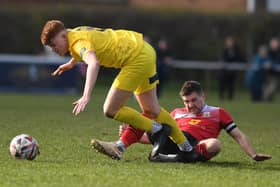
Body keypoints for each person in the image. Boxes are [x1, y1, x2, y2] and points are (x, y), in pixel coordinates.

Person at [40, 20, 196, 158]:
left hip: (135, 59)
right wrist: (71, 63)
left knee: (110, 109)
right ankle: (187, 149)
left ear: (63, 35)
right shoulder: (75, 32)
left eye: (54, 45)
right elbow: (86, 46)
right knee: (153, 110)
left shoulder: (76, 43)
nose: (54, 49)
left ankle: (158, 129)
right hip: (145, 50)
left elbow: (93, 63)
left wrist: (86, 95)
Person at [92, 80, 272, 162]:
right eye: (186, 101)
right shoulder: (176, 113)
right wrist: (133, 135)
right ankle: (120, 146)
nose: (190, 105)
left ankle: (181, 156)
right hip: (172, 140)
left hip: (195, 144)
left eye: (194, 100)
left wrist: (253, 154)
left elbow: (239, 136)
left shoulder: (218, 113)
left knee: (215, 144)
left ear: (203, 96)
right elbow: (159, 135)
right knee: (148, 114)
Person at [218, 36, 243, 100]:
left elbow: (239, 59)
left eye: (231, 42)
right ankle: (221, 98)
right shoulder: (224, 50)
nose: (230, 43)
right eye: (228, 42)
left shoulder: (236, 50)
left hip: (232, 72)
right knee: (222, 84)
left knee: (231, 85)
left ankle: (230, 98)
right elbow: (222, 59)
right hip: (224, 71)